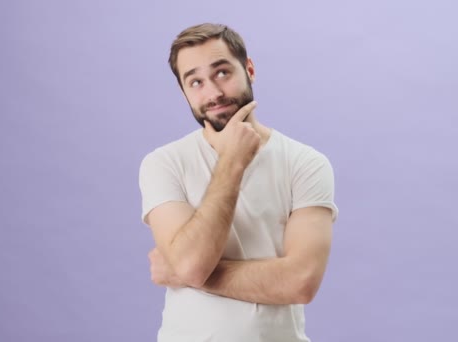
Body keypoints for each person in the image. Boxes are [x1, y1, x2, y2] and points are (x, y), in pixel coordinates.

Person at [138, 23, 338, 342]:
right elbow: (191, 264)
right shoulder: (163, 164)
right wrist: (232, 161)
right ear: (184, 91)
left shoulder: (306, 163)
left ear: (249, 69)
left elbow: (301, 282)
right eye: (196, 82)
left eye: (222, 73)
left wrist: (189, 274)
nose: (214, 93)